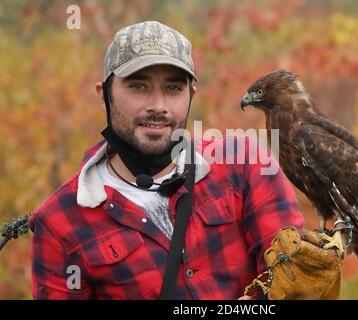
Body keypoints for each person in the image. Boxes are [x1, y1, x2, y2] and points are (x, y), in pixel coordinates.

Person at [29, 21, 304, 299]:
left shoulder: (245, 163)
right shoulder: (59, 222)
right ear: (105, 95)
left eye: (173, 88)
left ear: (190, 96)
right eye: (138, 86)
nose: (158, 106)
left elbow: (294, 280)